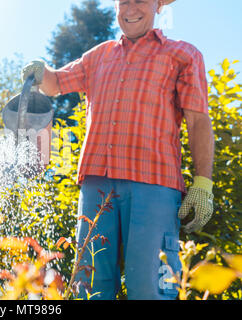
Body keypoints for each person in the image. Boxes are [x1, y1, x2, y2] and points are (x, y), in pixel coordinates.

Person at [21, 0, 215, 300]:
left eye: (140, 0)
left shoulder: (182, 54)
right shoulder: (98, 55)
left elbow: (198, 118)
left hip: (155, 184)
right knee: (90, 287)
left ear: (157, 6)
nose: (131, 8)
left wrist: (203, 182)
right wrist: (40, 70)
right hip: (97, 183)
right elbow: (57, 82)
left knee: (150, 287)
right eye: (124, 0)